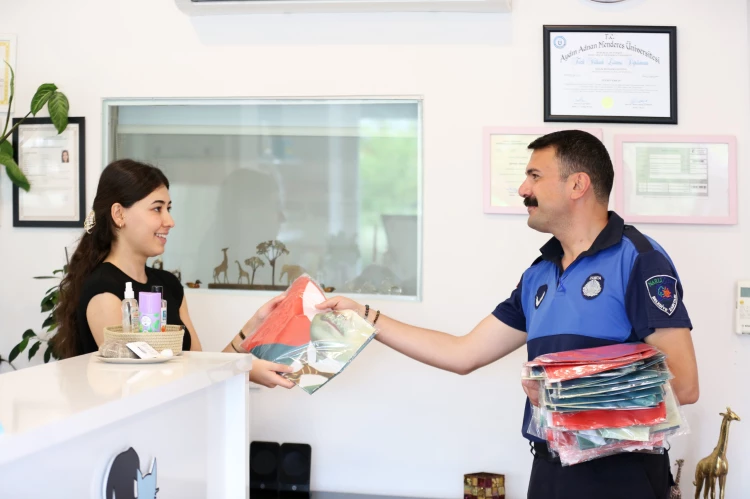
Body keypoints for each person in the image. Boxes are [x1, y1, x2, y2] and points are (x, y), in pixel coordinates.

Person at [317, 130, 699, 499]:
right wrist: (366, 316)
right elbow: (463, 353)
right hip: (548, 471)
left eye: (535, 175)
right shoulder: (538, 275)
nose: (522, 189)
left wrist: (561, 394)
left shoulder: (640, 259)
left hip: (620, 476)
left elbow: (683, 385)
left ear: (577, 184)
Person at [52, 159, 295, 389]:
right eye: (157, 209)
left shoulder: (167, 284)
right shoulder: (103, 289)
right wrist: (244, 369)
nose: (169, 221)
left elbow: (201, 371)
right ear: (119, 215)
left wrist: (253, 326)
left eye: (168, 209)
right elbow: (135, 385)